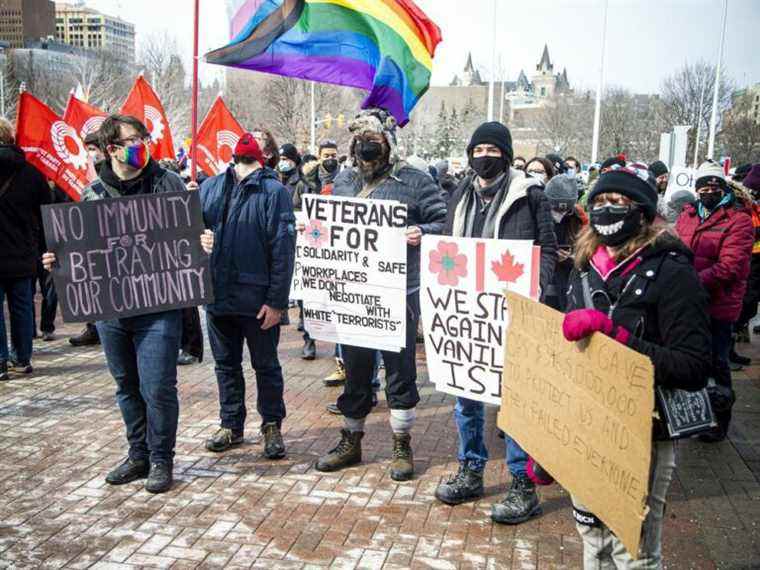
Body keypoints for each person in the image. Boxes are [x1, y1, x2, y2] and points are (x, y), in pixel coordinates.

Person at [42, 114, 201, 493]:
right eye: (132, 139)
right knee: (126, 385)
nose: (141, 145)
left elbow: (189, 239)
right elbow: (78, 250)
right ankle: (138, 454)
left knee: (158, 387)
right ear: (111, 148)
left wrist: (202, 244)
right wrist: (57, 260)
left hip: (159, 308)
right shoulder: (92, 193)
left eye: (143, 137)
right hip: (112, 310)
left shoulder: (168, 183)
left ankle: (162, 459)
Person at [563, 163, 711, 569]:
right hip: (587, 426)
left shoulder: (673, 272)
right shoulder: (583, 267)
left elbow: (693, 366)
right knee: (593, 539)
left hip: (643, 432)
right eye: (600, 202)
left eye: (619, 202)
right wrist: (548, 447)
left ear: (643, 214)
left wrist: (619, 338)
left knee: (634, 553)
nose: (607, 210)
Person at [434, 121, 558, 525]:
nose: (483, 156)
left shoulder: (529, 195)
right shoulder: (460, 193)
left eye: (491, 149)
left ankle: (522, 483)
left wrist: (540, 290)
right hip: (467, 314)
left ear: (505, 154)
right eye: (478, 149)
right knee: (465, 396)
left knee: (515, 399)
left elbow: (548, 249)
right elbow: (446, 241)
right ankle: (471, 468)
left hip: (514, 311)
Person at [314, 108, 447, 481]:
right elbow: (328, 226)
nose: (366, 148)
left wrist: (422, 230)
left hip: (397, 292)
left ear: (388, 145)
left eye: (373, 142)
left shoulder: (415, 181)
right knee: (355, 369)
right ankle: (351, 439)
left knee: (400, 370)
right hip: (355, 293)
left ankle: (401, 442)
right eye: (360, 142)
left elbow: (443, 220)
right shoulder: (343, 181)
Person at [200, 133, 295, 460]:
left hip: (258, 301)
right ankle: (231, 424)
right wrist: (197, 237)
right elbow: (191, 233)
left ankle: (271, 424)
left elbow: (283, 250)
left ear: (265, 153)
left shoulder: (274, 191)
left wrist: (277, 303)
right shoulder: (211, 186)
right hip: (218, 295)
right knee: (225, 365)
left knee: (265, 365)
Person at [675, 161, 754, 442]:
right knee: (692, 361)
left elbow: (730, 266)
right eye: (702, 186)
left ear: (724, 187)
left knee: (716, 363)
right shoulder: (687, 215)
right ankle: (694, 416)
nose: (708, 190)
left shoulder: (738, 220)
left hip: (718, 305)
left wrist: (689, 283)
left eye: (713, 185)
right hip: (687, 303)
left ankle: (719, 421)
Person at [0, 118, 51, 381]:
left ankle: (0, 361)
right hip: (23, 253)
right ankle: (22, 358)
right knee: (22, 306)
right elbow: (47, 212)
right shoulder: (31, 173)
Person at [68, 132, 105, 348]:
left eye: (93, 149)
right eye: (88, 149)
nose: (90, 154)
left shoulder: (110, 175)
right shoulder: (84, 176)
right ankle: (93, 327)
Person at [730, 164, 760, 363]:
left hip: (754, 258)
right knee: (744, 302)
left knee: (748, 302)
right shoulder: (743, 206)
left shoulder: (753, 206)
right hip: (748, 259)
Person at [544, 175, 587, 312]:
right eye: (555, 209)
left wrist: (572, 257)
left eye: (565, 210)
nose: (560, 214)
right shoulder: (534, 215)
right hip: (542, 280)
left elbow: (587, 252)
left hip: (566, 284)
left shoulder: (579, 219)